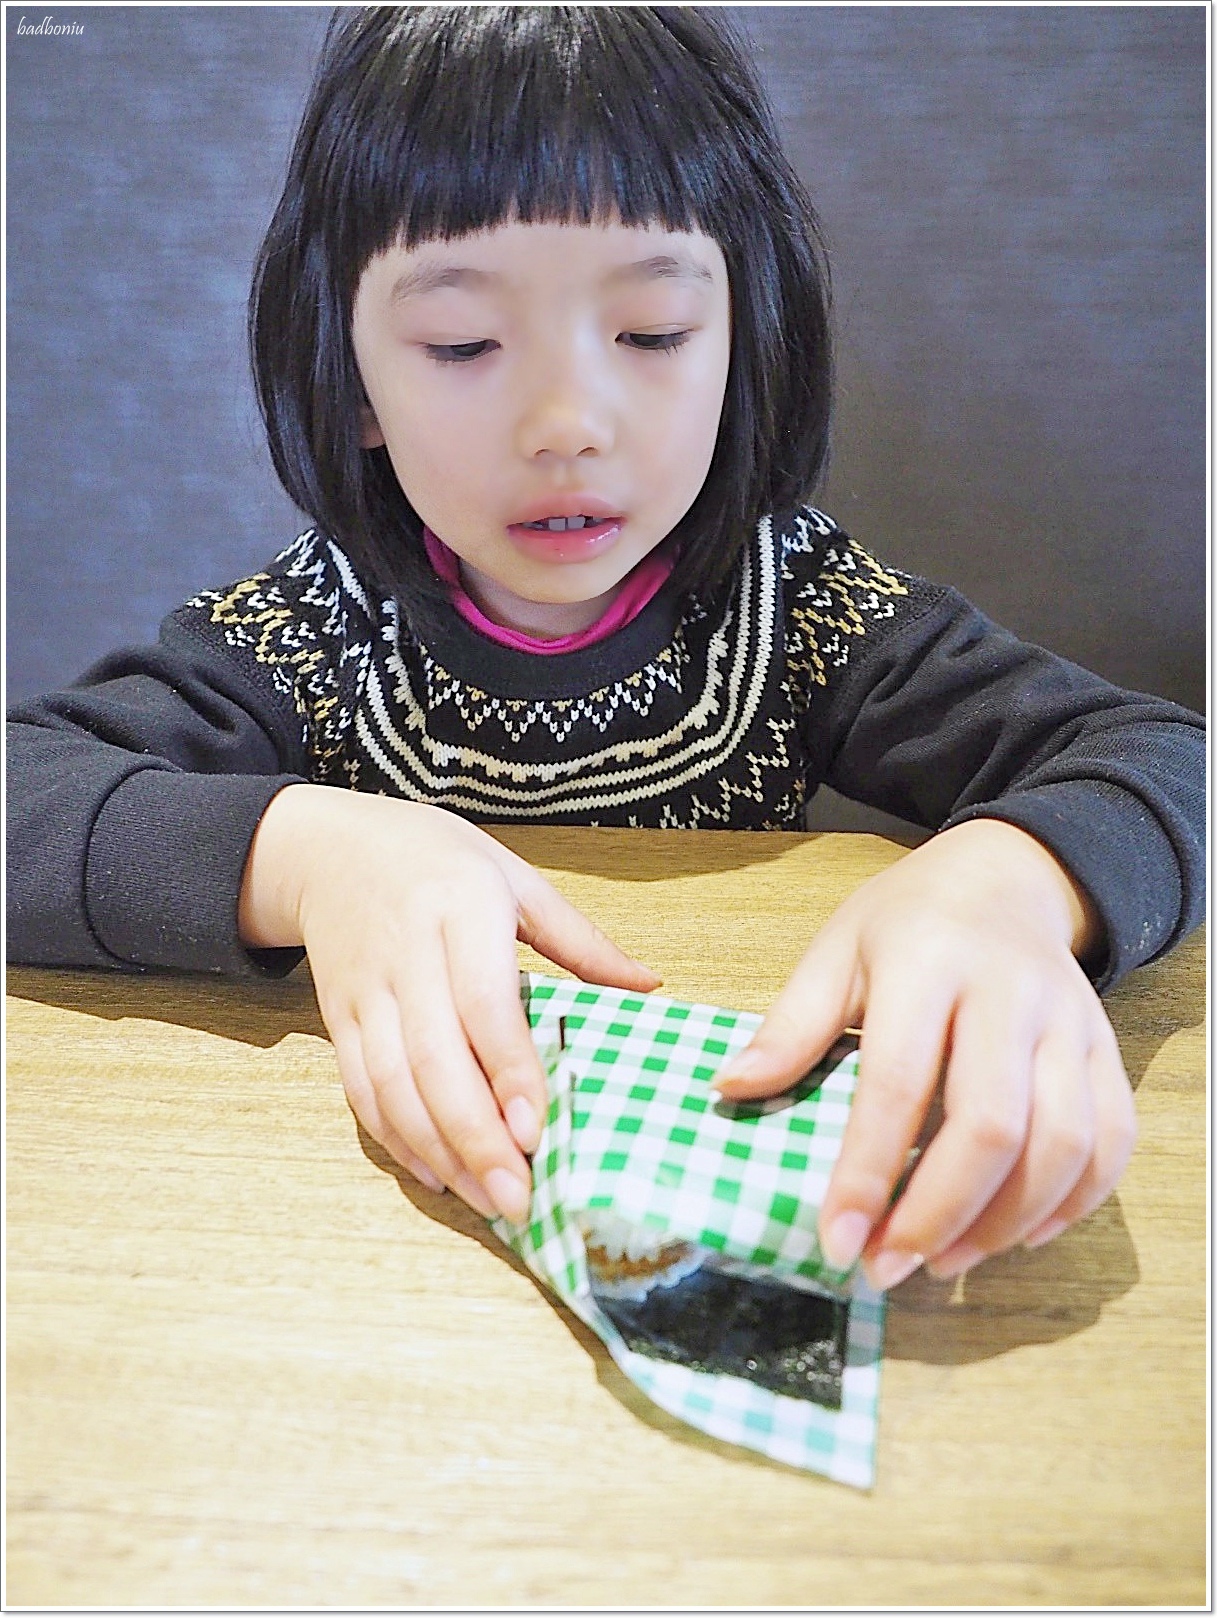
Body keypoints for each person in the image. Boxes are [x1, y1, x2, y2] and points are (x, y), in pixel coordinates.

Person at [8, 6, 1204, 1295]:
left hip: (716, 1197)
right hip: (379, 1255)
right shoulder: (311, 632)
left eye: (652, 334)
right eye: (463, 345)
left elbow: (1157, 753)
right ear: (350, 380)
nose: (568, 423)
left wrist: (1012, 885)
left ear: (742, 341)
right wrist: (311, 855)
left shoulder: (799, 608)